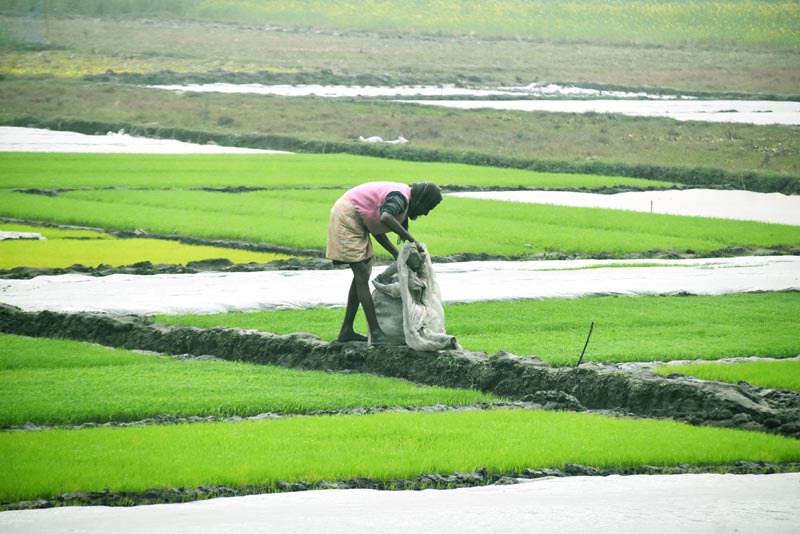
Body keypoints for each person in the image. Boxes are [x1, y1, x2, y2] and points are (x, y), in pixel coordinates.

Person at [326, 181, 443, 345]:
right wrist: (412, 240)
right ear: (422, 200)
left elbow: (377, 230)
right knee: (361, 277)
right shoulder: (399, 198)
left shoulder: (401, 197)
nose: (426, 213)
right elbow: (386, 218)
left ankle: (347, 330)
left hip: (354, 218)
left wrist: (398, 254)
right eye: (428, 207)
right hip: (347, 217)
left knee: (362, 275)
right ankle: (376, 333)